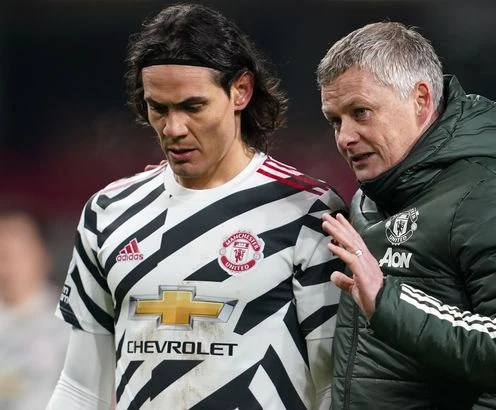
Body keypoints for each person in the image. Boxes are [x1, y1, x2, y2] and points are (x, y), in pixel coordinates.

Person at [46, 4, 346, 409]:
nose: (173, 129)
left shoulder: (307, 211)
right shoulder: (108, 213)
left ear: (241, 90)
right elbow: (81, 388)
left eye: (192, 107)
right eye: (159, 108)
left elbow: (333, 387)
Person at [317, 22, 496, 409]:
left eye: (360, 112)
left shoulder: (493, 197)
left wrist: (389, 301)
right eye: (336, 121)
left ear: (420, 100)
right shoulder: (367, 202)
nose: (344, 137)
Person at [0, 203, 70, 410]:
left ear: (44, 256)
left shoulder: (73, 322)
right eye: (2, 255)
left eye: (16, 254)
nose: (8, 267)